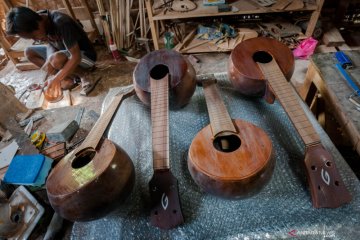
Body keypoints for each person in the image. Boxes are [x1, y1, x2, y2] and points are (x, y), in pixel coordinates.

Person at [5, 6, 97, 101]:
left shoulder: (61, 22)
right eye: (31, 38)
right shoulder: (39, 19)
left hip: (85, 56)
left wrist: (56, 78)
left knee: (56, 59)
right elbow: (51, 44)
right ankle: (68, 79)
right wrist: (49, 60)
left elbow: (76, 56)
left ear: (38, 23)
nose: (35, 40)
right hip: (64, 53)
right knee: (29, 52)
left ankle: (83, 74)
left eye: (34, 36)